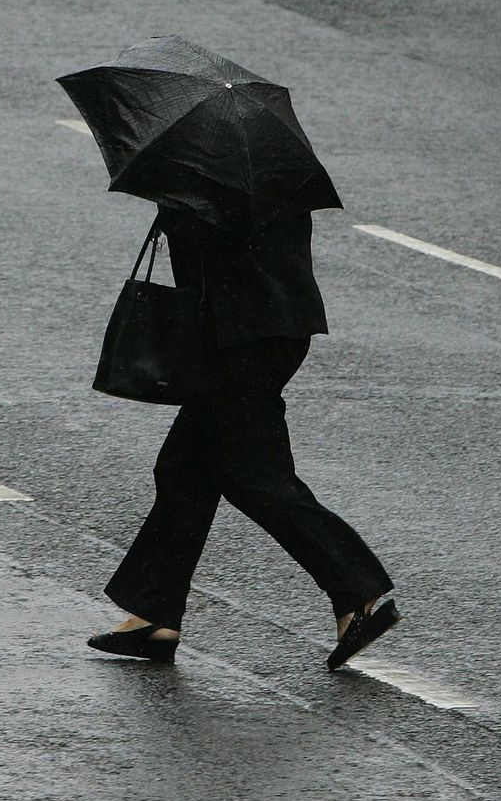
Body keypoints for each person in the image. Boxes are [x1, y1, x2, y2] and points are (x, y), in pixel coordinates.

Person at [87, 204, 398, 670]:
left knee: (255, 477)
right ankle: (155, 614)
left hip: (243, 338)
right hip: (264, 329)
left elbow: (215, 257)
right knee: (184, 471)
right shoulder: (260, 177)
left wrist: (174, 210)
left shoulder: (215, 184)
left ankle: (356, 591)